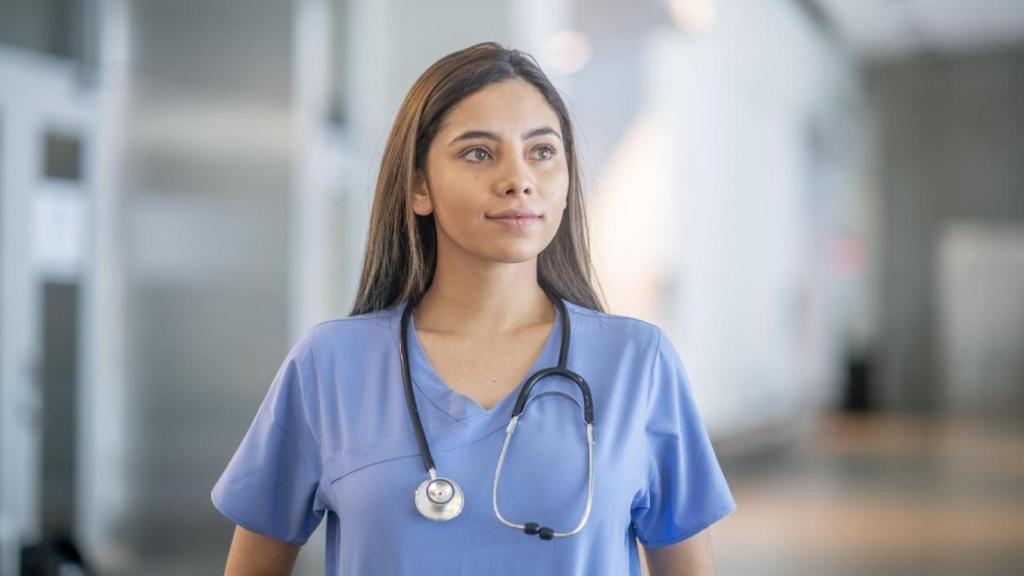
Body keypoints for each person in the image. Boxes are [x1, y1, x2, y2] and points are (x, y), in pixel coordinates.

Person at [211, 41, 736, 575]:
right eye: (479, 153)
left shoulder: (637, 364)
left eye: (542, 152)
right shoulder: (331, 365)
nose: (518, 179)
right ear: (420, 186)